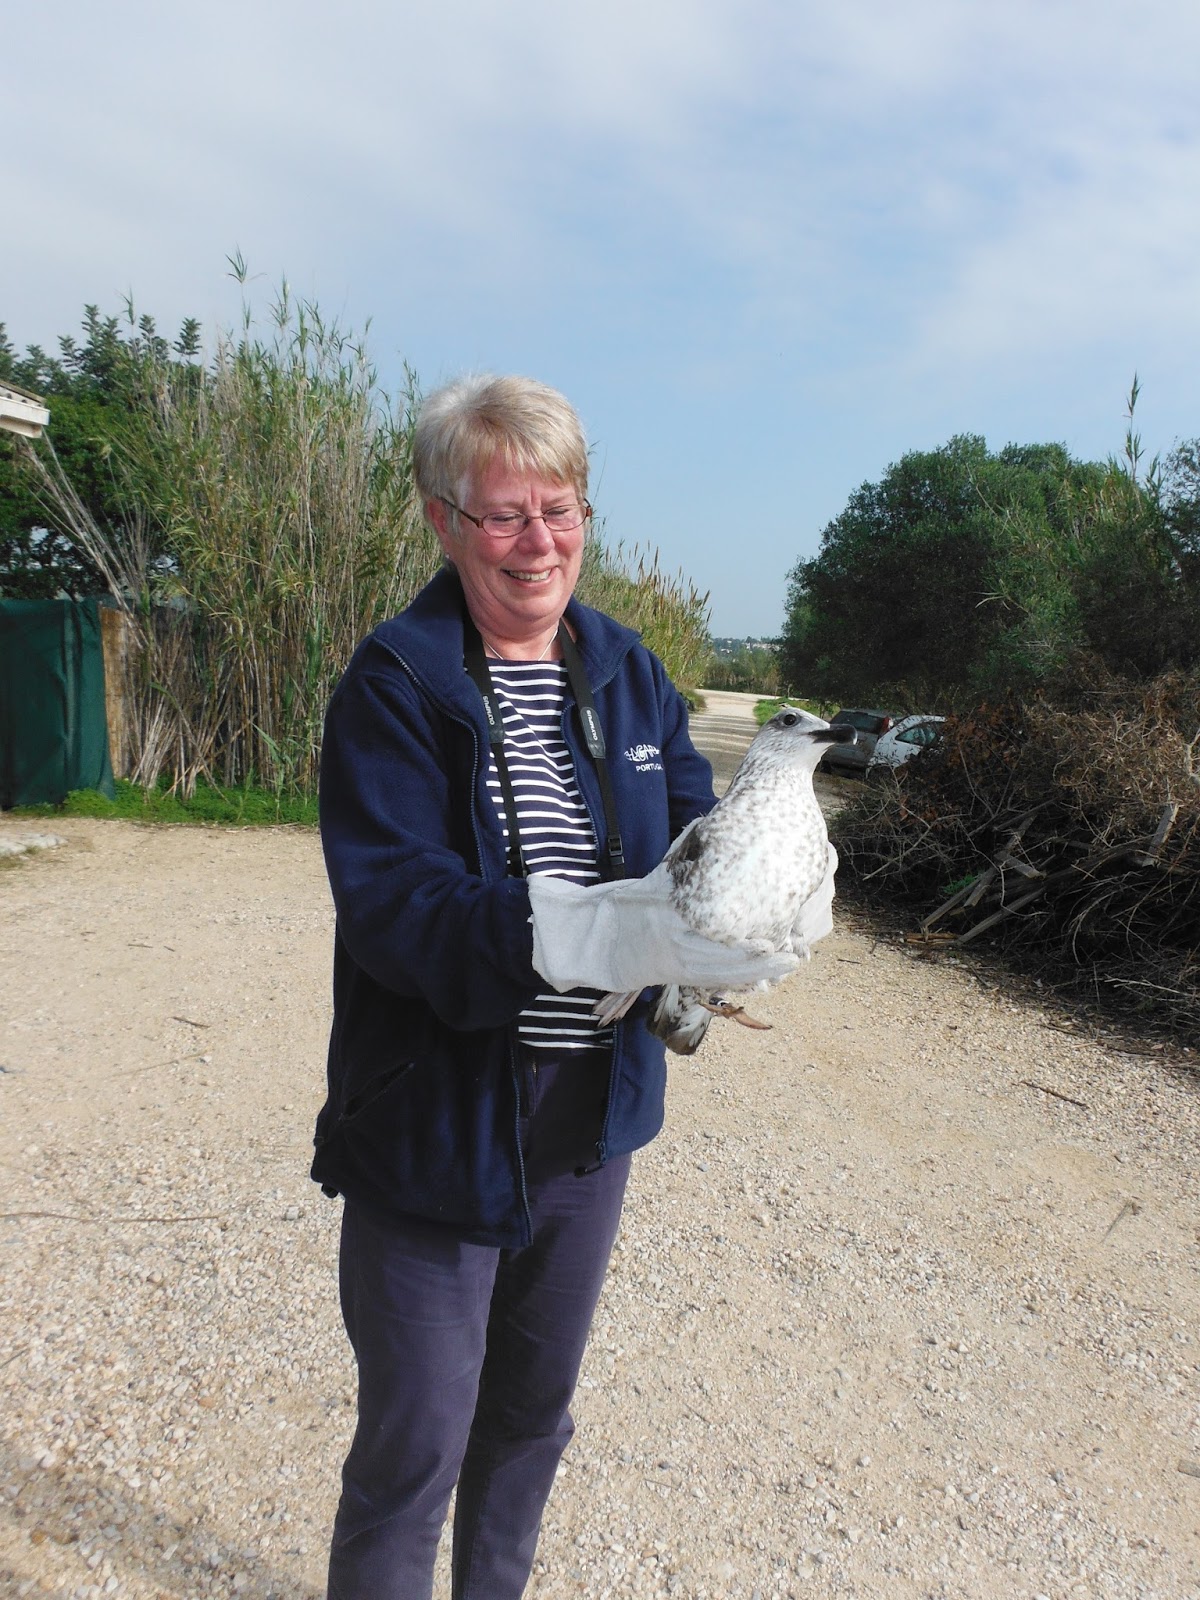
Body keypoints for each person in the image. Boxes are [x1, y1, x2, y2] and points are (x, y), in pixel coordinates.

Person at [313, 374, 796, 1599]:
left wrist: (739, 922)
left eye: (561, 508)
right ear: (442, 520)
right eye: (504, 514)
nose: (539, 542)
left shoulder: (628, 670)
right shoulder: (395, 683)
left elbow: (693, 843)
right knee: (418, 1442)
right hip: (435, 1120)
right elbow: (396, 908)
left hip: (587, 1125)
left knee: (530, 1417)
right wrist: (593, 933)